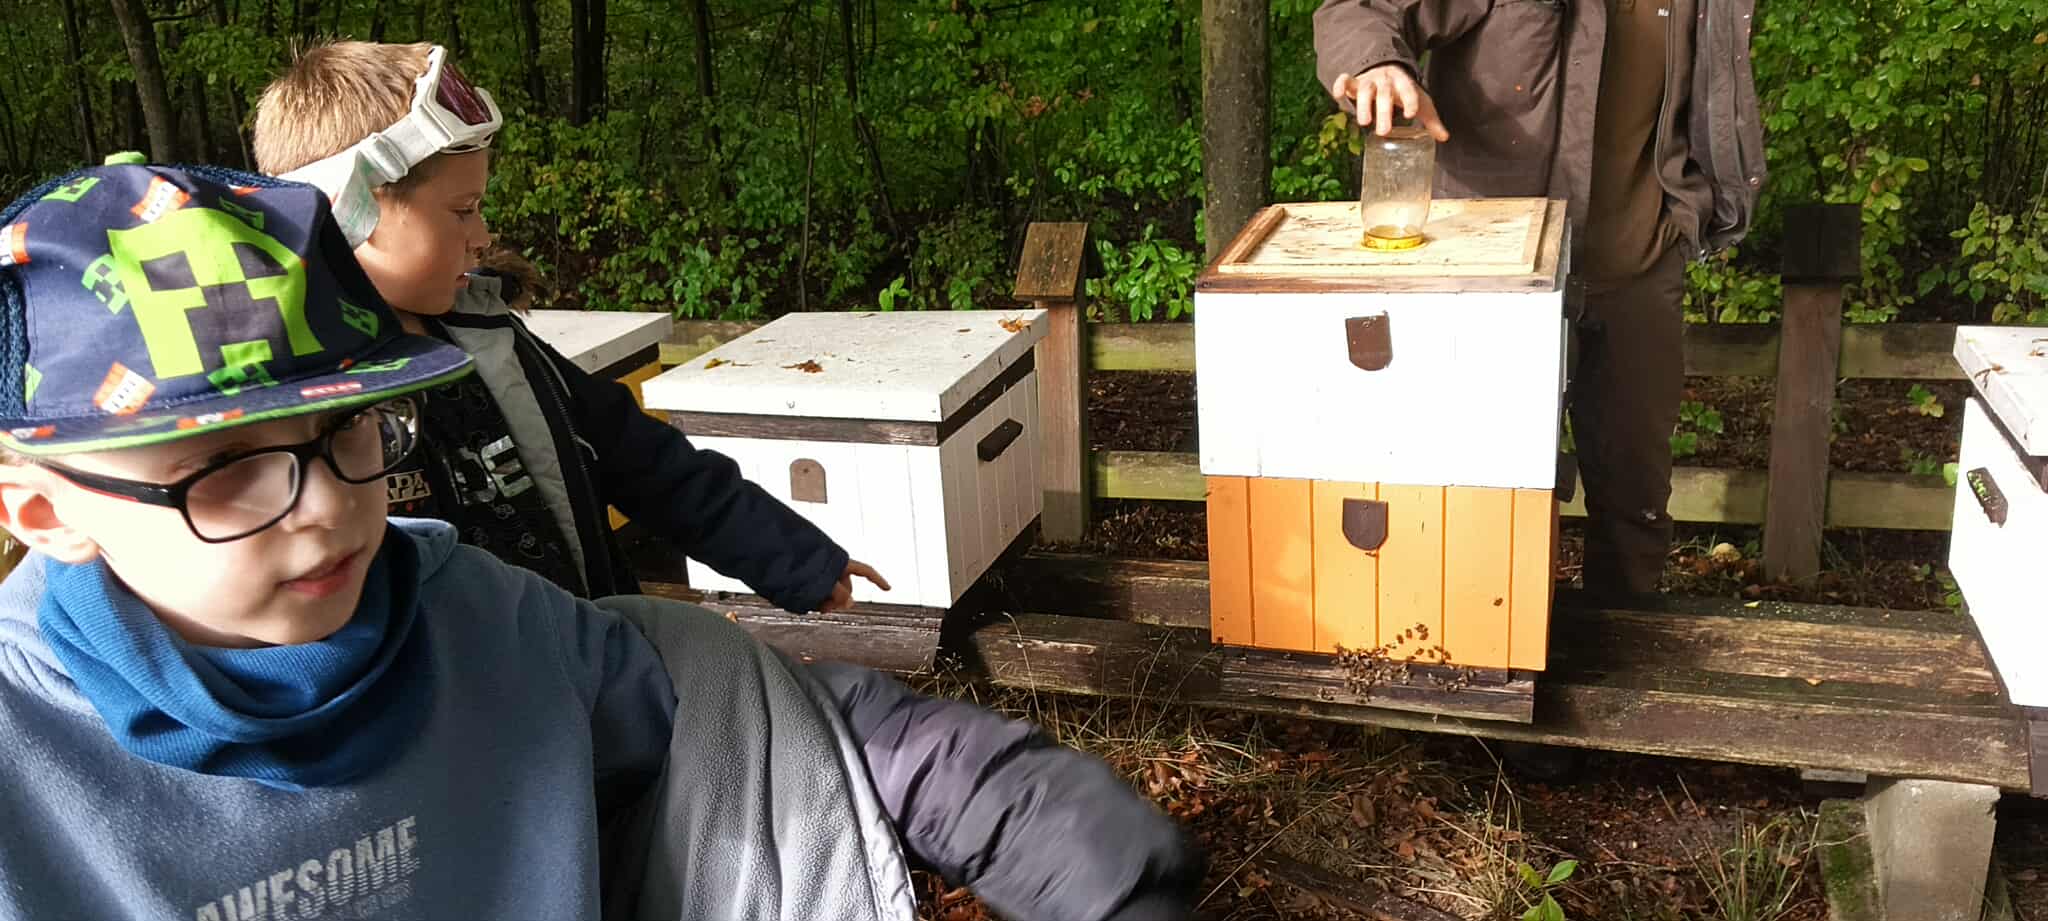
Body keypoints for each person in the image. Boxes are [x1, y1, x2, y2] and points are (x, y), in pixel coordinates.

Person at [0, 162, 1200, 920]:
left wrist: (1070, 839)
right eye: (225, 469)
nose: (322, 504)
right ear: (45, 512)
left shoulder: (486, 617)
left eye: (349, 430)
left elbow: (763, 714)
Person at [250, 40, 883, 612]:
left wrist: (793, 558)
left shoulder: (489, 334)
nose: (483, 236)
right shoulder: (302, 407)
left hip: (597, 659)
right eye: (463, 210)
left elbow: (645, 460)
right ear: (346, 212)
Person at [1314, 0, 1765, 601]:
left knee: (1635, 497)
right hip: (1497, 278)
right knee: (1483, 491)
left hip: (1641, 267)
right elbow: (1360, 10)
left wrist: (1687, 217)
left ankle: (1626, 645)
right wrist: (1377, 64)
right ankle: (1477, 644)